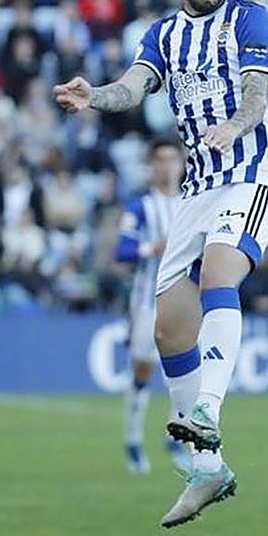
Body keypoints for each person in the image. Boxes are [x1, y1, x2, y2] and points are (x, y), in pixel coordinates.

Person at [54, 0, 268, 528]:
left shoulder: (251, 20)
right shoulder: (161, 34)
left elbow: (257, 96)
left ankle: (207, 411)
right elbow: (132, 90)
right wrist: (95, 95)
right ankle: (207, 467)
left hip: (256, 172)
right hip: (198, 189)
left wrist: (236, 128)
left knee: (221, 273)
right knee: (168, 330)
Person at [115, 137, 191, 477]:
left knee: (185, 370)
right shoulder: (140, 206)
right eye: (159, 160)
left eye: (171, 159)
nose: (166, 166)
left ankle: (175, 439)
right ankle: (132, 439)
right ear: (151, 166)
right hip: (147, 300)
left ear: (181, 163)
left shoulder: (193, 202)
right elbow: (122, 250)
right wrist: (152, 248)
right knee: (143, 369)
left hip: (185, 301)